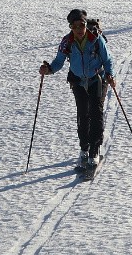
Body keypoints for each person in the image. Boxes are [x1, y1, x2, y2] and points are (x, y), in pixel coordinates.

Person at [39, 9, 116, 169]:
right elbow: (59, 61)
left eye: (81, 25)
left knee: (96, 113)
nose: (79, 29)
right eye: (74, 26)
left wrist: (110, 74)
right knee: (82, 113)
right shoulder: (67, 42)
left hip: (97, 79)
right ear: (70, 27)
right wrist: (49, 69)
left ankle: (94, 149)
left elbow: (108, 59)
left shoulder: (96, 39)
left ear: (85, 24)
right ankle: (84, 147)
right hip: (78, 81)